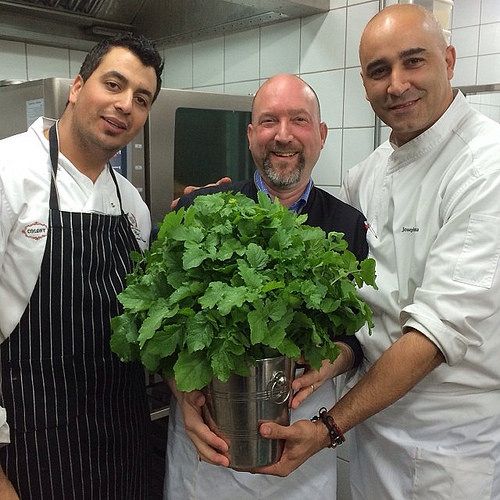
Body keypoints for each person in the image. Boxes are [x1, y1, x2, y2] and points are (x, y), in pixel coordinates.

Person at [253, 4, 500, 499]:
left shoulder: (484, 166)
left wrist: (327, 426)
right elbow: (338, 286)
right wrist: (222, 207)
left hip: (444, 449)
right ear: (364, 83)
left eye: (414, 62)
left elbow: (436, 330)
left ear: (448, 61)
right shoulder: (368, 173)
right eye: (379, 70)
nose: (397, 84)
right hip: (370, 427)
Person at [164, 73, 370, 499]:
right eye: (268, 121)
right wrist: (180, 391)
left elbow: (358, 332)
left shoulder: (347, 224)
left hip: (301, 438)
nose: (283, 135)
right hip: (208, 449)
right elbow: (163, 331)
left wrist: (334, 360)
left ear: (321, 134)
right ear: (250, 134)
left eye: (299, 120)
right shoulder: (198, 209)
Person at [0, 33, 163, 498]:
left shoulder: (131, 204)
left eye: (141, 98)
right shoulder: (9, 172)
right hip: (33, 453)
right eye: (113, 84)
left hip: (122, 445)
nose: (125, 105)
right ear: (76, 87)